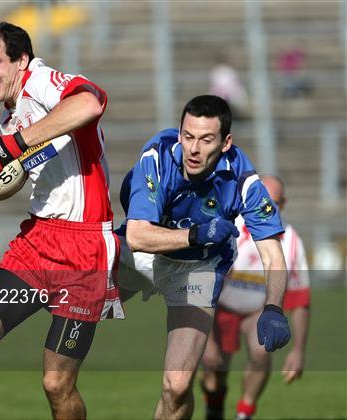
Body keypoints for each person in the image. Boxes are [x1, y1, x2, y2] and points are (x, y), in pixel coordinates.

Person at [0, 21, 124, 420]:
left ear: (21, 60)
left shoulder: (42, 82)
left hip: (85, 250)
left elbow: (90, 102)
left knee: (57, 383)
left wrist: (14, 145)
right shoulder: (10, 119)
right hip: (37, 242)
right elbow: (20, 170)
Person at [115, 95, 291, 420]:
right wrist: (196, 234)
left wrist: (275, 307)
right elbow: (138, 237)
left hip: (198, 271)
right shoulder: (157, 157)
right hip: (140, 256)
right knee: (77, 320)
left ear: (226, 143)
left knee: (177, 386)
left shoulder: (243, 180)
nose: (193, 149)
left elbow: (272, 250)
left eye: (206, 139)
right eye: (188, 136)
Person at [200, 175, 311, 420]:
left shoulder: (291, 240)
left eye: (274, 203)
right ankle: (214, 402)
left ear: (283, 204)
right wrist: (206, 340)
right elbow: (199, 281)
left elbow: (300, 299)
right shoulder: (230, 225)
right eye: (262, 202)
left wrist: (299, 350)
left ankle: (245, 412)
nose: (267, 209)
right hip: (218, 307)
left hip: (257, 310)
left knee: (262, 351)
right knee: (213, 368)